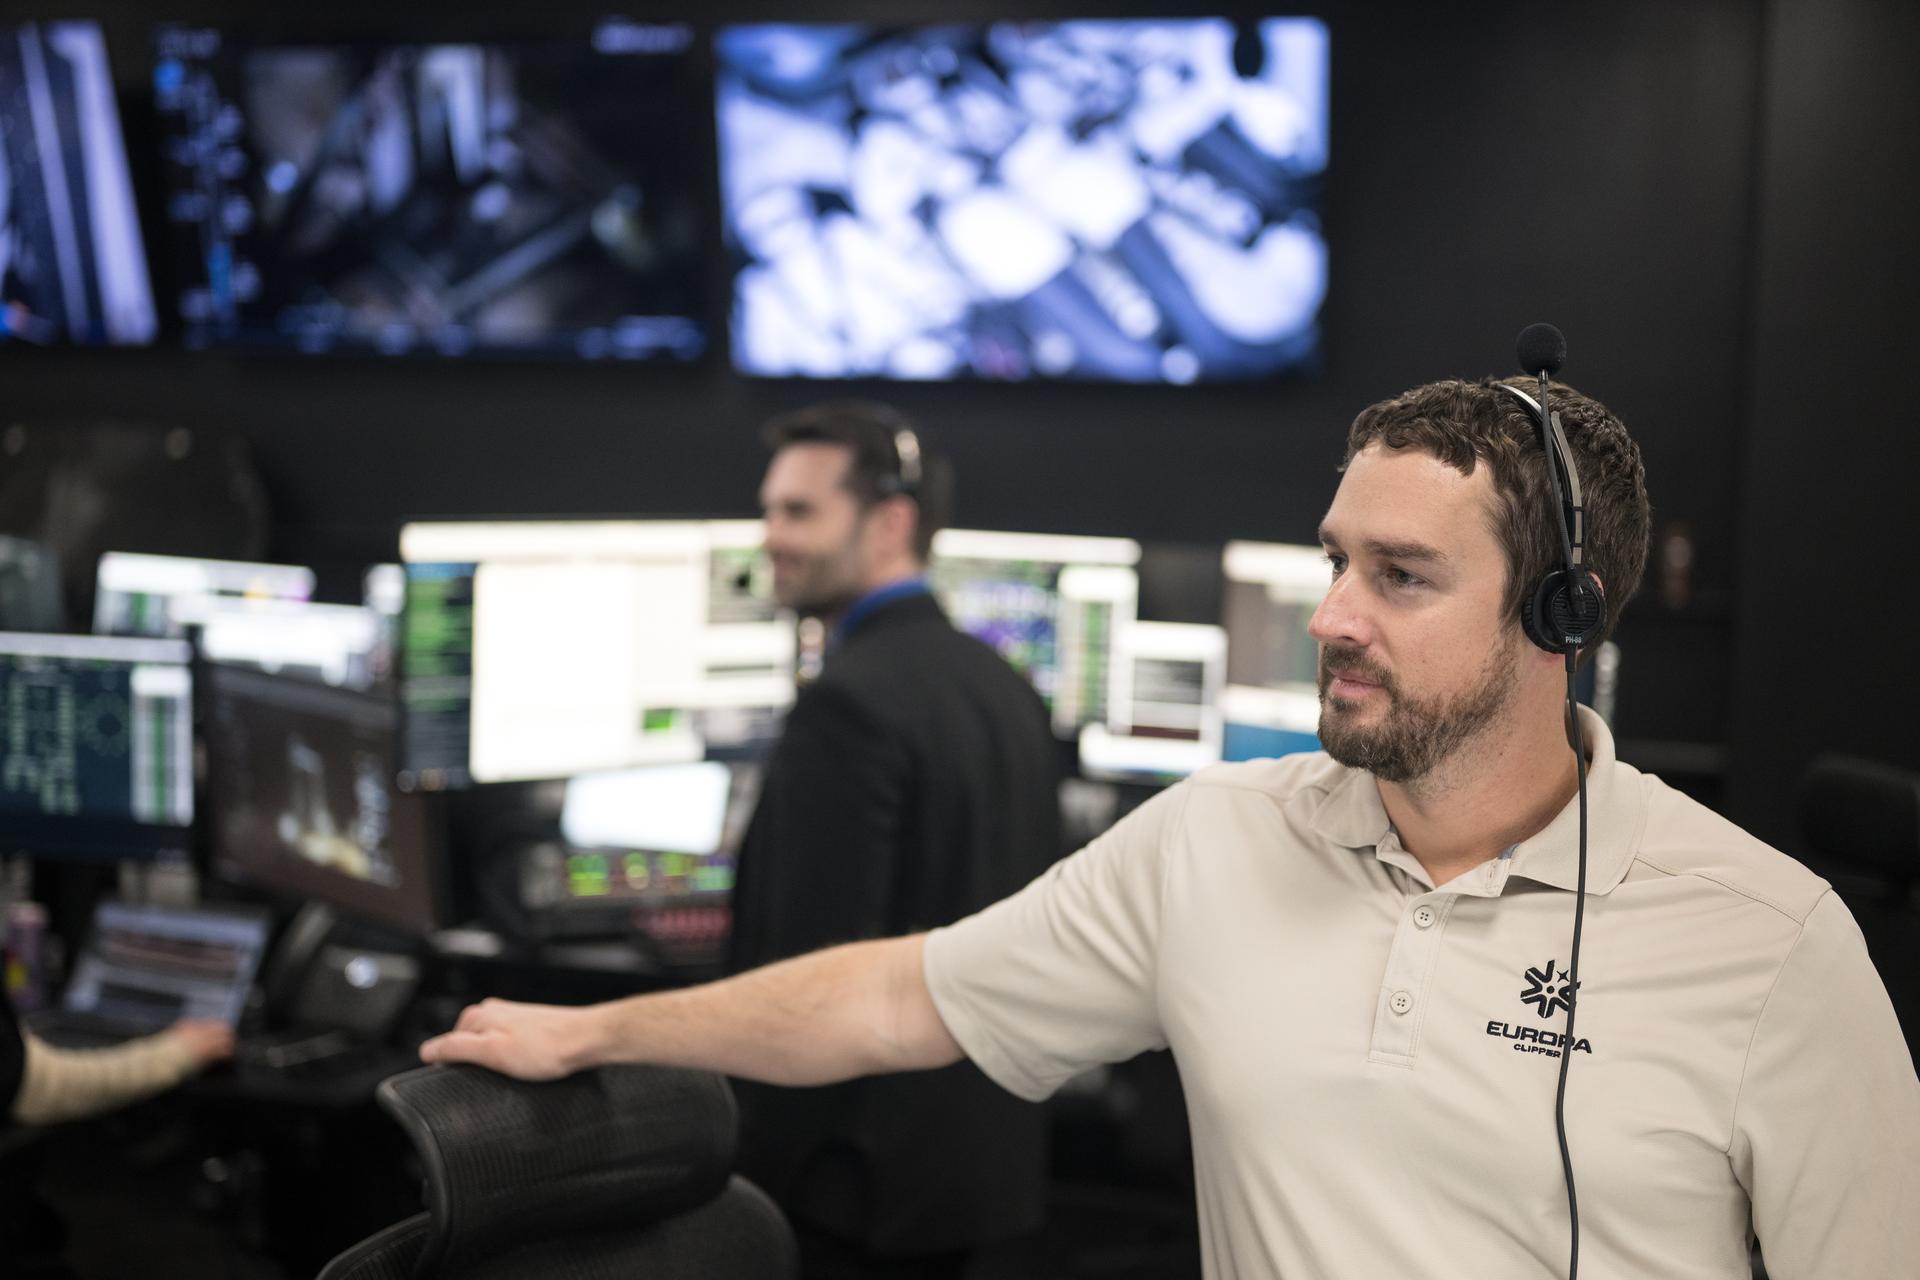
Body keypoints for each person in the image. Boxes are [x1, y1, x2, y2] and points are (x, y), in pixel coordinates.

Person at [422, 377, 1920, 1278]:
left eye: (1400, 576)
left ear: (1560, 617)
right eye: (1336, 562)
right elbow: (892, 994)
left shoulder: (1770, 944)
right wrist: (599, 1034)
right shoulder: (1212, 843)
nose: (1332, 618)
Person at [723, 401, 1061, 1276]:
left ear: (893, 522)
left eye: (799, 511)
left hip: (855, 1194)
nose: (772, 537)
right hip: (976, 1180)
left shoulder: (849, 705)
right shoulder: (1005, 686)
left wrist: (742, 1185)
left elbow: (808, 982)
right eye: (770, 510)